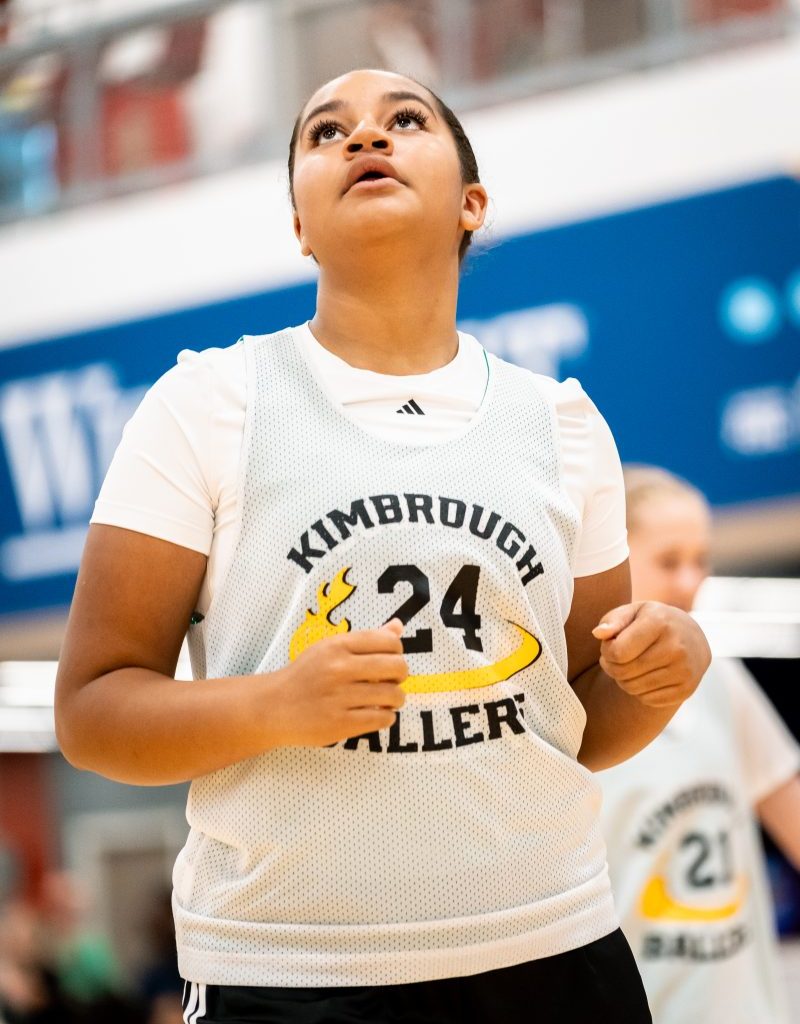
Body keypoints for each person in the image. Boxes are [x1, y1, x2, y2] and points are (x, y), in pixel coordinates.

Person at [55, 68, 711, 1024]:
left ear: (471, 203)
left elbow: (580, 719)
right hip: (291, 975)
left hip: (556, 951)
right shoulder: (208, 404)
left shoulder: (564, 424)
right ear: (300, 224)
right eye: (327, 133)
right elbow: (91, 712)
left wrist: (662, 679)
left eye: (404, 120)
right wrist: (274, 705)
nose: (365, 138)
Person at [597, 465, 800, 1024]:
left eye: (701, 560)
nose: (689, 581)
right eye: (669, 561)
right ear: (612, 563)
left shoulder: (721, 680)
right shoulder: (571, 701)